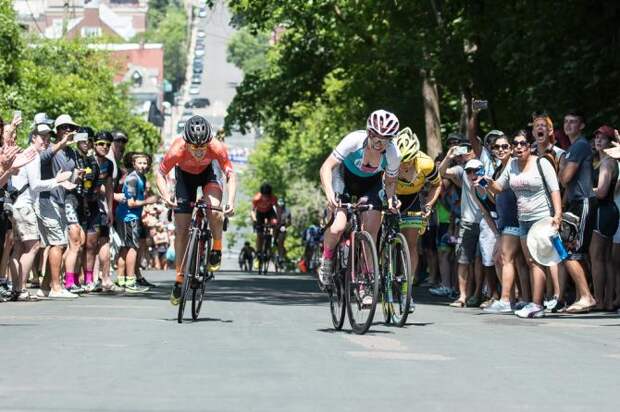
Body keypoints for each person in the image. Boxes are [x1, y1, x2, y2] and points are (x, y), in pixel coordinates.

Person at [156, 115, 236, 305]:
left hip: (209, 174)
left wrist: (230, 202)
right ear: (187, 143)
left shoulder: (216, 147)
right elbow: (160, 173)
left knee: (215, 211)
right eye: (195, 147)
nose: (199, 151)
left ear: (209, 141)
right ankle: (179, 278)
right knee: (181, 231)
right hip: (185, 177)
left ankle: (216, 246)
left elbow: (230, 175)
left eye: (203, 146)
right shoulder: (178, 148)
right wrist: (166, 195)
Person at [317, 109, 401, 288]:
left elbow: (391, 182)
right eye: (375, 136)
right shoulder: (353, 140)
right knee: (339, 225)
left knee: (371, 232)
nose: (380, 142)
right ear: (369, 132)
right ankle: (327, 258)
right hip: (344, 179)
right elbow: (326, 167)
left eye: (386, 138)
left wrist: (392, 198)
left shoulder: (393, 154)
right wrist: (330, 193)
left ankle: (367, 280)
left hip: (371, 185)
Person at [485, 131, 562, 318]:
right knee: (530, 262)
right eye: (516, 144)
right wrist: (485, 182)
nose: (519, 147)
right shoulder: (511, 166)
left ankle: (538, 304)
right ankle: (535, 303)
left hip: (541, 219)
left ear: (530, 146)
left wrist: (558, 215)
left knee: (538, 261)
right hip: (523, 220)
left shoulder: (541, 163)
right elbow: (499, 187)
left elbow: (554, 189)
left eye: (523, 144)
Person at [7, 123, 73, 300]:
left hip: (16, 205)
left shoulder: (26, 153)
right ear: (33, 138)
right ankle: (20, 289)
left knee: (19, 248)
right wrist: (57, 180)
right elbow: (35, 185)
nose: (45, 141)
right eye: (41, 137)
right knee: (33, 247)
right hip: (24, 206)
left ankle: (15, 288)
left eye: (47, 137)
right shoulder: (33, 155)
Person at [483, 131, 531, 313]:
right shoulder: (499, 169)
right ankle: (521, 299)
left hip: (515, 218)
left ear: (511, 149)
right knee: (516, 261)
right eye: (497, 147)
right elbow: (496, 196)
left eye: (505, 146)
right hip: (505, 220)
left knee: (505, 259)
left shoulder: (513, 165)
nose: (501, 149)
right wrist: (485, 186)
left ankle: (506, 300)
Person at [558, 111, 597, 313]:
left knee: (571, 251)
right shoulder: (573, 147)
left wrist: (563, 163)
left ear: (582, 126)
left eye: (573, 122)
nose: (568, 125)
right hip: (575, 204)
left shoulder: (580, 146)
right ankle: (585, 295)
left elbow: (564, 178)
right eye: (566, 122)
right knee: (570, 250)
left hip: (583, 202)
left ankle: (586, 297)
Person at [394, 127, 441, 286]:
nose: (404, 165)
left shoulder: (426, 163)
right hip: (390, 196)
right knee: (378, 230)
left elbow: (437, 185)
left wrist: (428, 205)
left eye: (408, 160)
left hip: (412, 199)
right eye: (401, 161)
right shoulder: (388, 158)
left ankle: (408, 283)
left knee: (411, 243)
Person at [438, 147, 485, 307]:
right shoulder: (461, 170)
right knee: (463, 260)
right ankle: (462, 296)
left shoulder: (486, 168)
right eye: (469, 171)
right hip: (467, 222)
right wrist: (448, 156)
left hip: (486, 222)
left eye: (476, 171)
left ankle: (478, 294)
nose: (472, 173)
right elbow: (441, 172)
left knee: (480, 260)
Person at [86, 131, 122, 293]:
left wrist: (110, 210)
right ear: (94, 144)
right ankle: (87, 279)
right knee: (89, 244)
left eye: (108, 145)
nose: (104, 147)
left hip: (100, 207)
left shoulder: (109, 163)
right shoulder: (87, 160)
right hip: (84, 205)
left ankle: (106, 278)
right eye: (101, 144)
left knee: (104, 241)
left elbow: (109, 188)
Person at [115, 153, 157, 293]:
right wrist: (148, 201)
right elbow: (131, 203)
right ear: (134, 164)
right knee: (132, 247)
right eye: (139, 163)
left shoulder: (141, 178)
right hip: (129, 216)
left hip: (128, 216)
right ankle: (131, 281)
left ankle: (121, 280)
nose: (142, 166)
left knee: (124, 247)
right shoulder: (133, 178)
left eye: (145, 163)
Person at [589, 125, 619, 311]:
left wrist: (584, 192)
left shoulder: (607, 162)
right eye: (596, 137)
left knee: (597, 257)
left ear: (610, 142)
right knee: (606, 258)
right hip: (608, 210)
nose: (599, 140)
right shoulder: (599, 161)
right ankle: (607, 301)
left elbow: (601, 192)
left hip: (603, 210)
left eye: (603, 138)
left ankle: (600, 300)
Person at [251, 183, 278, 263]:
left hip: (269, 212)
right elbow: (252, 211)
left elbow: (277, 209)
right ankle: (258, 252)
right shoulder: (256, 199)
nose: (266, 198)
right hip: (259, 214)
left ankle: (274, 240)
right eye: (264, 196)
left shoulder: (273, 198)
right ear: (261, 194)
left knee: (275, 223)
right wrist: (254, 220)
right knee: (259, 234)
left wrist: (277, 219)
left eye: (267, 196)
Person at [274, 198, 291, 266]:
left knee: (281, 241)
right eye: (279, 206)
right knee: (268, 236)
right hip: (274, 226)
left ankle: (280, 257)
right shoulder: (273, 209)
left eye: (282, 206)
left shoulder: (287, 210)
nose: (280, 208)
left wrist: (285, 226)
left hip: (282, 226)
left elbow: (289, 222)